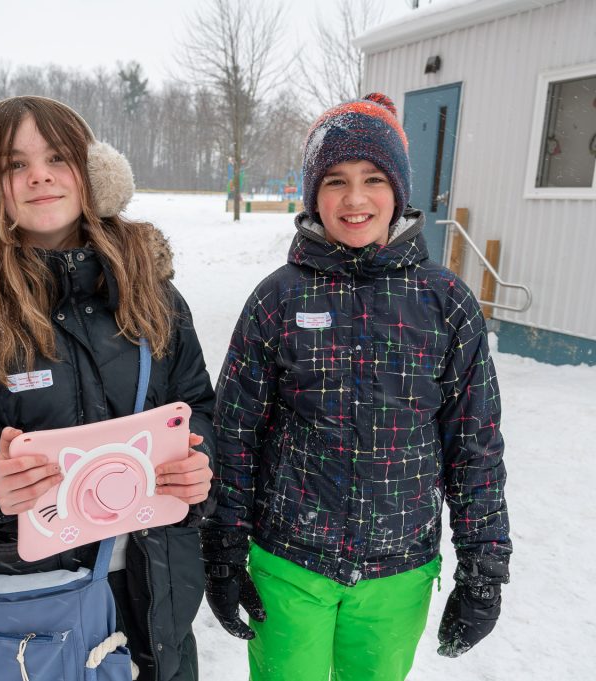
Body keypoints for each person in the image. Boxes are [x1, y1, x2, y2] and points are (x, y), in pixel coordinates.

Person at [202, 93, 511, 680]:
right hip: (289, 563)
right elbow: (235, 436)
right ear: (313, 194)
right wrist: (223, 548)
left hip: (397, 572)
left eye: (373, 178)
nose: (354, 198)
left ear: (398, 191)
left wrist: (484, 567)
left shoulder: (446, 303)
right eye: (335, 180)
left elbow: (475, 444)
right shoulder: (278, 299)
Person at [0, 96, 216, 681]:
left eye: (57, 156)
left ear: (93, 172)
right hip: (32, 602)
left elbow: (198, 410)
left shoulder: (155, 296)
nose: (39, 176)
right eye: (13, 165)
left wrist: (197, 461)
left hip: (157, 586)